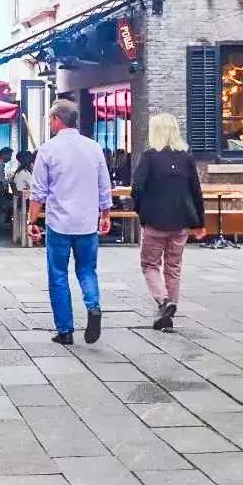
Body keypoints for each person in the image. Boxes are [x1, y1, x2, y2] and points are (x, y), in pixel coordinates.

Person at [28, 100, 111, 346]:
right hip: (87, 222)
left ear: (57, 119)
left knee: (58, 275)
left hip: (59, 223)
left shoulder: (48, 149)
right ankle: (93, 306)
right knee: (87, 270)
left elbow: (38, 192)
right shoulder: (94, 147)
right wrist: (105, 214)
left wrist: (32, 221)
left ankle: (65, 330)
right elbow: (104, 185)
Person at [131, 114, 206, 331]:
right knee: (173, 268)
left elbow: (137, 188)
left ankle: (164, 301)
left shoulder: (149, 157)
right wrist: (200, 222)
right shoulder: (186, 158)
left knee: (149, 265)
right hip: (181, 222)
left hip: (154, 222)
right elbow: (196, 192)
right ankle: (168, 317)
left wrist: (142, 212)